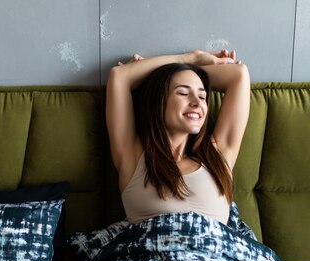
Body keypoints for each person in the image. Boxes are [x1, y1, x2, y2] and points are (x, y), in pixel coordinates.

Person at [106, 49, 250, 225]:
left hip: (215, 251)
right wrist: (192, 58)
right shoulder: (133, 156)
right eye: (183, 93)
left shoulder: (218, 155)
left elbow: (239, 74)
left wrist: (176, 68)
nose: (197, 103)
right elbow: (120, 76)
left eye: (203, 96)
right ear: (159, 100)